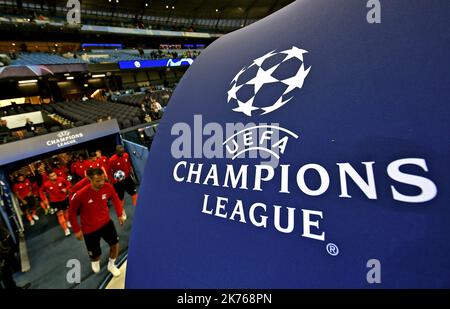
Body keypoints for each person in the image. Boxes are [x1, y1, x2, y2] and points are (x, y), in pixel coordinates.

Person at [69, 168, 126, 276]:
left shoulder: (108, 187)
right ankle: (95, 261)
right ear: (89, 179)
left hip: (106, 223)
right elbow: (71, 213)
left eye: (102, 180)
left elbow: (115, 198)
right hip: (89, 229)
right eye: (97, 181)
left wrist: (119, 214)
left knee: (115, 245)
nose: (101, 183)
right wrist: (76, 230)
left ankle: (111, 265)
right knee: (96, 255)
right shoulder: (80, 194)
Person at [40, 170, 72, 236]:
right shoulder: (46, 184)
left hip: (64, 199)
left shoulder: (61, 179)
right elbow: (40, 191)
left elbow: (69, 184)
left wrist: (66, 189)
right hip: (54, 202)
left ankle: (68, 221)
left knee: (66, 212)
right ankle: (66, 229)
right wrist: (44, 199)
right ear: (48, 177)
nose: (54, 177)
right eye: (51, 176)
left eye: (54, 175)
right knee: (60, 215)